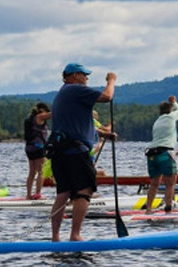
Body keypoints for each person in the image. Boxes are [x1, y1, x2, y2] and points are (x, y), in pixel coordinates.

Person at [48, 63, 116, 242]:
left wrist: (103, 134)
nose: (87, 79)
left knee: (63, 192)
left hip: (60, 150)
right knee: (84, 191)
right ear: (74, 75)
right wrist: (111, 80)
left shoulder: (63, 93)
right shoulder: (76, 89)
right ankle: (75, 235)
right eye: (84, 75)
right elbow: (107, 96)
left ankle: (55, 238)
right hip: (75, 152)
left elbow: (75, 124)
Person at [144, 95, 178, 213]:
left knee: (154, 184)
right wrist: (174, 102)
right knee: (170, 184)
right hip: (165, 154)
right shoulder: (170, 118)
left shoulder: (156, 122)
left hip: (152, 154)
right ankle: (168, 208)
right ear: (169, 110)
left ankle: (148, 209)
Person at [24, 102, 52, 200]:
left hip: (29, 148)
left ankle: (28, 195)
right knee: (41, 172)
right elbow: (53, 114)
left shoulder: (30, 119)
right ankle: (38, 194)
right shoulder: (39, 117)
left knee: (32, 172)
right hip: (38, 148)